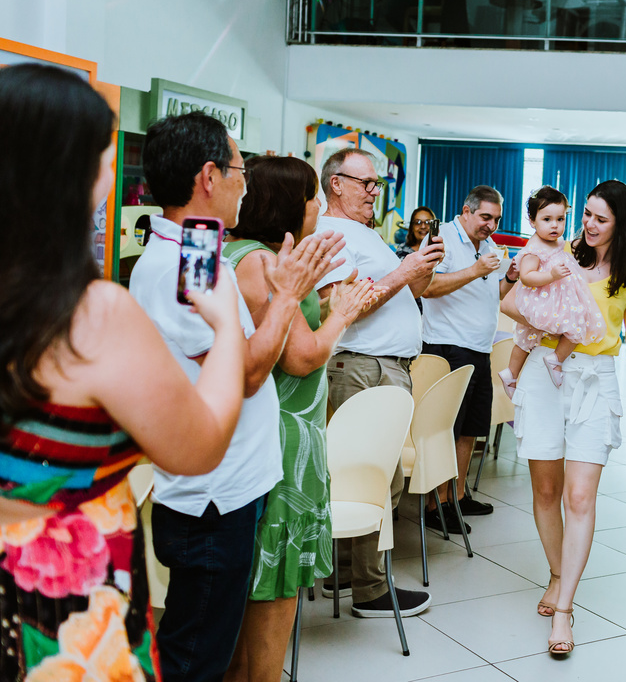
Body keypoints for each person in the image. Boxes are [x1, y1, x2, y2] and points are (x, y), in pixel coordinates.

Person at [0, 65, 245, 681]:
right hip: (58, 617)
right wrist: (225, 328)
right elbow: (199, 446)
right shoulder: (93, 315)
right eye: (105, 155)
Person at [131, 111, 340, 682]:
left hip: (233, 485)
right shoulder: (183, 267)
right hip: (212, 498)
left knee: (215, 648)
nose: (246, 186)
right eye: (240, 171)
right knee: (196, 659)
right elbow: (244, 374)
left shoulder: (198, 247)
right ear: (209, 177)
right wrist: (286, 298)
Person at [222, 156, 377, 682]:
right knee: (275, 577)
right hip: (283, 435)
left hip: (277, 428)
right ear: (288, 204)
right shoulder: (263, 263)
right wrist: (343, 313)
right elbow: (302, 357)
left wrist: (323, 303)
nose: (318, 207)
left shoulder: (248, 255)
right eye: (313, 197)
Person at [503, 181, 626, 656]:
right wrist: (518, 279)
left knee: (580, 495)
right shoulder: (558, 252)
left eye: (600, 218)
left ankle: (565, 608)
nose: (588, 224)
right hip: (545, 372)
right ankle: (556, 573)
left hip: (596, 379)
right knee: (547, 491)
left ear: (621, 224)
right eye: (586, 213)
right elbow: (514, 300)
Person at [315, 147, 442, 615]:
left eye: (377, 184)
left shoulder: (363, 232)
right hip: (364, 364)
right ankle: (370, 591)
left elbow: (402, 290)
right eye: (366, 183)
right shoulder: (330, 232)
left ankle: (346, 575)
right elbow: (344, 305)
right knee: (376, 476)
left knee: (368, 473)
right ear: (336, 184)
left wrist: (420, 270)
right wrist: (404, 271)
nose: (374, 192)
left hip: (382, 364)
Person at [420, 185, 517, 532]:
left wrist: (509, 278)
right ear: (466, 211)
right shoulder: (441, 238)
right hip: (448, 347)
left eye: (497, 219)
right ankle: (436, 504)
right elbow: (428, 286)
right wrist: (476, 270)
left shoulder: (488, 246)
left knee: (471, 429)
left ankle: (458, 497)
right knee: (447, 428)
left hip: (480, 347)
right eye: (485, 217)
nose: (491, 225)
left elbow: (494, 295)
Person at [499, 186, 607, 394]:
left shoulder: (557, 243)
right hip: (540, 298)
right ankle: (554, 359)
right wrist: (552, 275)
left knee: (528, 338)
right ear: (532, 221)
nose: (555, 225)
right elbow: (527, 276)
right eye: (547, 219)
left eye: (560, 219)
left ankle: (511, 373)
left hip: (552, 296)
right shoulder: (533, 249)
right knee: (575, 324)